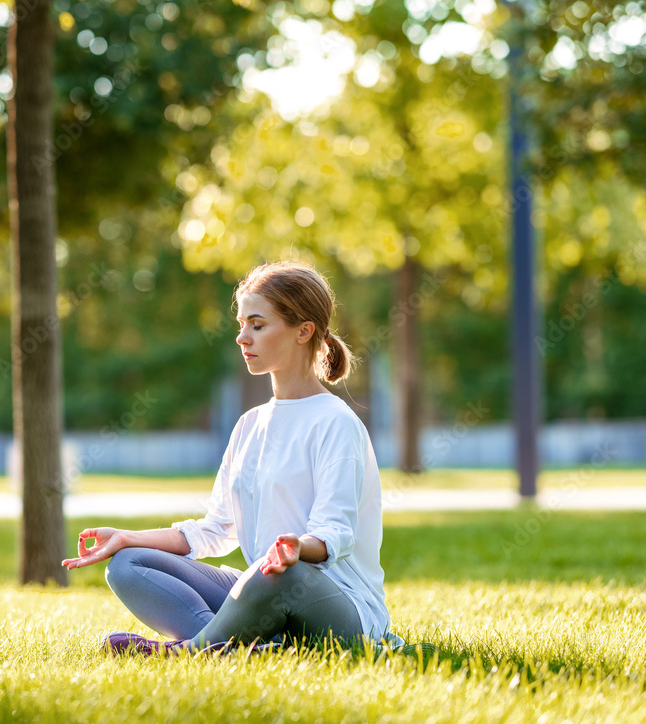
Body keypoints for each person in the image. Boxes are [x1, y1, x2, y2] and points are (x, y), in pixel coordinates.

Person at [62, 260, 398, 656]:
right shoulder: (248, 425)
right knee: (127, 565)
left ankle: (186, 652)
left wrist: (294, 548)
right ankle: (246, 649)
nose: (242, 337)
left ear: (303, 331)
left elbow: (334, 535)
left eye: (257, 325)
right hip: (263, 589)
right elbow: (215, 530)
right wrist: (126, 538)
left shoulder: (336, 423)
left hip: (339, 610)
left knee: (279, 575)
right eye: (241, 324)